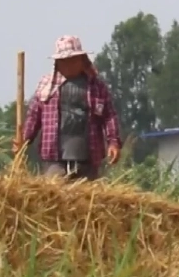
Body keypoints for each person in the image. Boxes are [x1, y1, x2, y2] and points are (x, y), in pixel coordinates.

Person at [14, 35, 121, 182]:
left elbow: (109, 116)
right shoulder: (46, 87)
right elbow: (34, 116)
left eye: (72, 60)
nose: (68, 65)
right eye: (63, 62)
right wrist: (23, 140)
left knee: (86, 199)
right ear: (57, 63)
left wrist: (113, 142)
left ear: (82, 60)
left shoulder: (96, 87)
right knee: (54, 193)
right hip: (55, 158)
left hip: (88, 159)